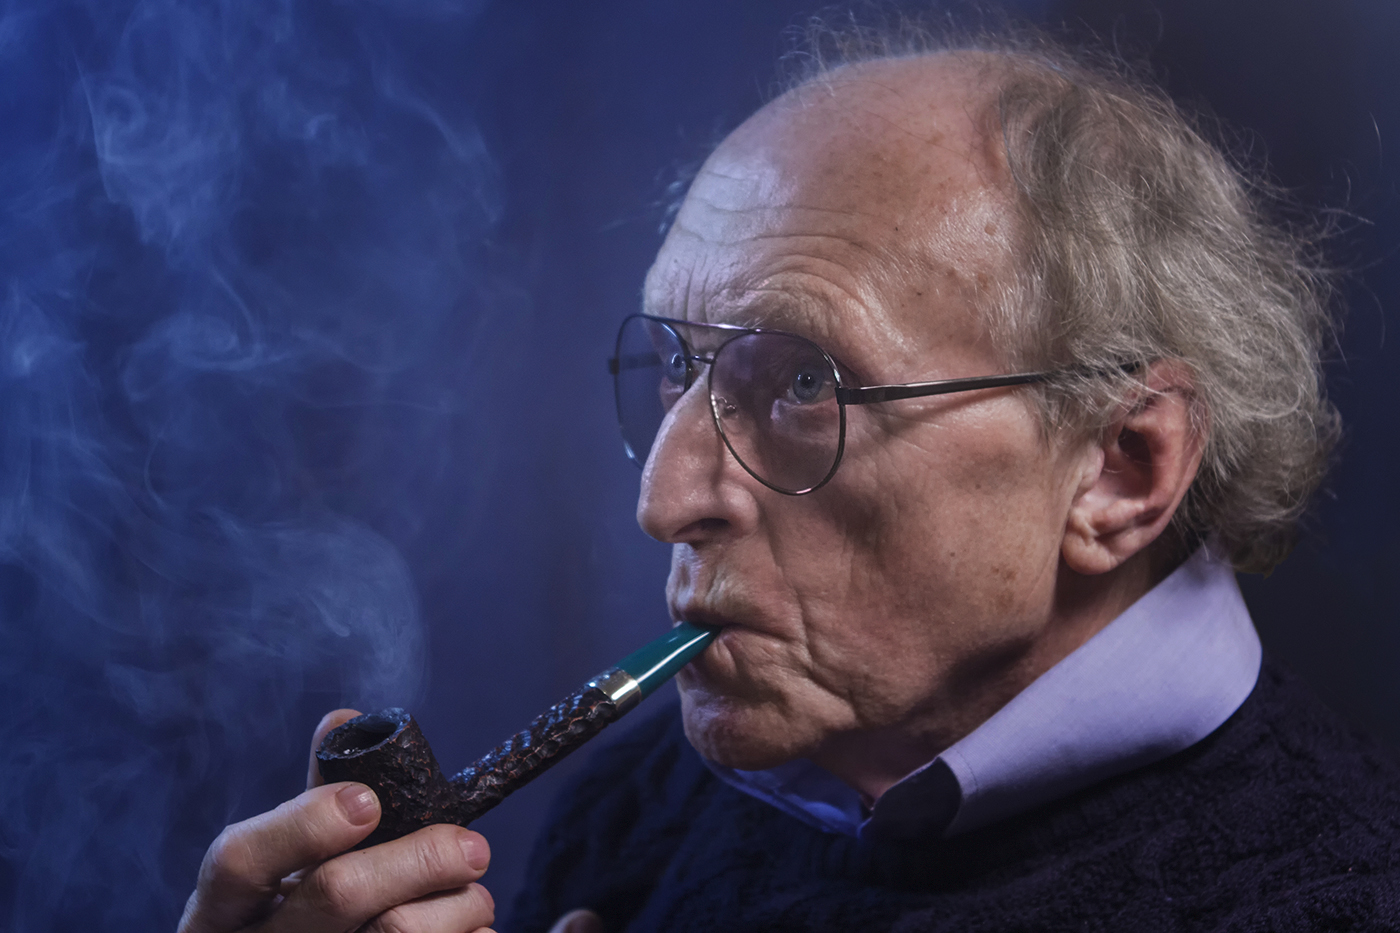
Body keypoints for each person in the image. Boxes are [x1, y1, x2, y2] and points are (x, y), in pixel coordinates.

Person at [180, 27, 1400, 933]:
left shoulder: (1334, 899)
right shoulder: (643, 801)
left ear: (1121, 469)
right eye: (676, 367)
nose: (664, 501)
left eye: (804, 383)